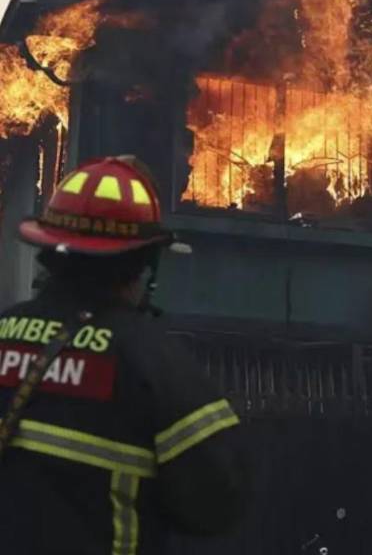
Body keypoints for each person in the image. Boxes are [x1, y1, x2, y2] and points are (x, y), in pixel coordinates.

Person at [0, 155, 247, 554]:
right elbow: (218, 505)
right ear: (141, 263)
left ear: (51, 252)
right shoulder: (154, 363)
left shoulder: (4, 332)